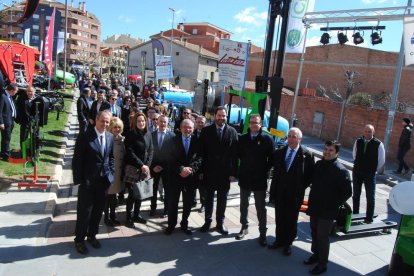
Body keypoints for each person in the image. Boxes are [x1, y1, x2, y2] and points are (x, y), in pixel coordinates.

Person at [305, 140, 352, 275]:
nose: (326, 152)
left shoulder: (341, 170)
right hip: (315, 206)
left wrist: (335, 204)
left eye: (330, 150)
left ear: (337, 152)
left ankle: (322, 264)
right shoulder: (319, 164)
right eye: (325, 149)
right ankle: (315, 255)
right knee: (314, 232)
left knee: (322, 236)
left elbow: (347, 192)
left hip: (328, 210)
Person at [72, 110, 115, 255]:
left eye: (107, 122)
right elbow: (77, 160)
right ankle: (79, 240)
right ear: (96, 120)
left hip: (103, 182)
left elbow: (111, 157)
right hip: (88, 182)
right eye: (102, 121)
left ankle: (92, 235)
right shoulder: (85, 136)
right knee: (84, 213)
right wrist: (79, 180)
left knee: (97, 211)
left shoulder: (109, 137)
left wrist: (112, 174)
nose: (105, 124)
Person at [268, 127, 314, 256]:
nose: (291, 139)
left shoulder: (306, 154)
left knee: (291, 218)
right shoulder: (279, 152)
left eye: (294, 137)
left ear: (299, 139)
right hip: (280, 192)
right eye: (289, 136)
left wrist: (300, 187)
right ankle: (279, 239)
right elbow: (275, 172)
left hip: (295, 194)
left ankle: (288, 243)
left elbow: (310, 175)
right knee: (280, 216)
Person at [235, 114, 275, 246]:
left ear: (261, 124)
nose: (253, 125)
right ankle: (244, 227)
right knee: (243, 205)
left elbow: (272, 159)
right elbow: (238, 156)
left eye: (256, 122)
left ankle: (262, 233)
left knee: (260, 207)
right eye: (251, 122)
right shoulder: (243, 139)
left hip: (259, 180)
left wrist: (264, 170)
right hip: (245, 178)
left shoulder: (267, 139)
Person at [198, 106, 238, 235]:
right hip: (209, 172)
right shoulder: (206, 131)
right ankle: (207, 221)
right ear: (215, 116)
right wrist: (201, 171)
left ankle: (220, 223)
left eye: (224, 116)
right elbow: (201, 153)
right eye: (219, 115)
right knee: (208, 198)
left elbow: (235, 155)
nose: (221, 118)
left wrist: (233, 173)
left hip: (225, 174)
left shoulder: (232, 131)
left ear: (226, 117)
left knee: (222, 200)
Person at [164, 119, 202, 235]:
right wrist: (181, 169)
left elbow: (199, 158)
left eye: (190, 127)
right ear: (180, 128)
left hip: (190, 177)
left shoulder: (197, 141)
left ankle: (184, 224)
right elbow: (170, 158)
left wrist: (190, 169)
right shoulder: (172, 141)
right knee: (173, 203)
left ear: (193, 128)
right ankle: (171, 224)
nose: (187, 129)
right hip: (175, 177)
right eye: (185, 127)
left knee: (188, 203)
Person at [124, 112, 153, 228]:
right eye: (139, 121)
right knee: (132, 195)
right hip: (133, 169)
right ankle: (128, 217)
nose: (141, 123)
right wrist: (141, 165)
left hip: (145, 169)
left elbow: (151, 151)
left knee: (140, 194)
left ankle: (136, 215)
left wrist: (147, 165)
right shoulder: (130, 134)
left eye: (143, 121)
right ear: (135, 122)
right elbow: (130, 152)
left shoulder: (148, 134)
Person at [352, 124, 385, 224]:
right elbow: (354, 154)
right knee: (356, 194)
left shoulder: (378, 144)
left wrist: (373, 169)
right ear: (363, 131)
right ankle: (355, 214)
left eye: (369, 131)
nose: (367, 133)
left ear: (373, 132)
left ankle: (369, 218)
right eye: (366, 131)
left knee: (370, 196)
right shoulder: (358, 141)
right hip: (357, 171)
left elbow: (381, 160)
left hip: (370, 173)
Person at [150, 115, 175, 218]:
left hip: (167, 168)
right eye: (161, 121)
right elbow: (149, 152)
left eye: (165, 122)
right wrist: (153, 167)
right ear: (157, 122)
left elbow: (173, 154)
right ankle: (153, 208)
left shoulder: (172, 136)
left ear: (167, 123)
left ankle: (166, 209)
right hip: (154, 168)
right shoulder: (151, 135)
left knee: (167, 189)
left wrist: (165, 166)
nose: (163, 124)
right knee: (153, 190)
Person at [104, 117, 125, 227]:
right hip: (111, 173)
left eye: (118, 127)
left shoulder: (122, 139)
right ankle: (106, 217)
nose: (117, 129)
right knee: (108, 196)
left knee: (114, 197)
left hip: (119, 173)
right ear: (111, 128)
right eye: (115, 127)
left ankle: (113, 216)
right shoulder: (108, 139)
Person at [0, 84, 18, 161]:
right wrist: (1, 122)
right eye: (16, 91)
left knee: (6, 138)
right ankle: (6, 156)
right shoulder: (2, 96)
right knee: (7, 138)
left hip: (11, 120)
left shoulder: (9, 96)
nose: (16, 93)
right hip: (5, 121)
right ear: (12, 90)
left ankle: (3, 153)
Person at [193, 115, 207, 212]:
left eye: (202, 122)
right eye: (198, 122)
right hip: (193, 164)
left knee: (202, 187)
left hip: (204, 164)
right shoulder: (192, 133)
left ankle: (204, 204)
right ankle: (193, 201)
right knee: (192, 184)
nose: (200, 124)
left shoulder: (208, 134)